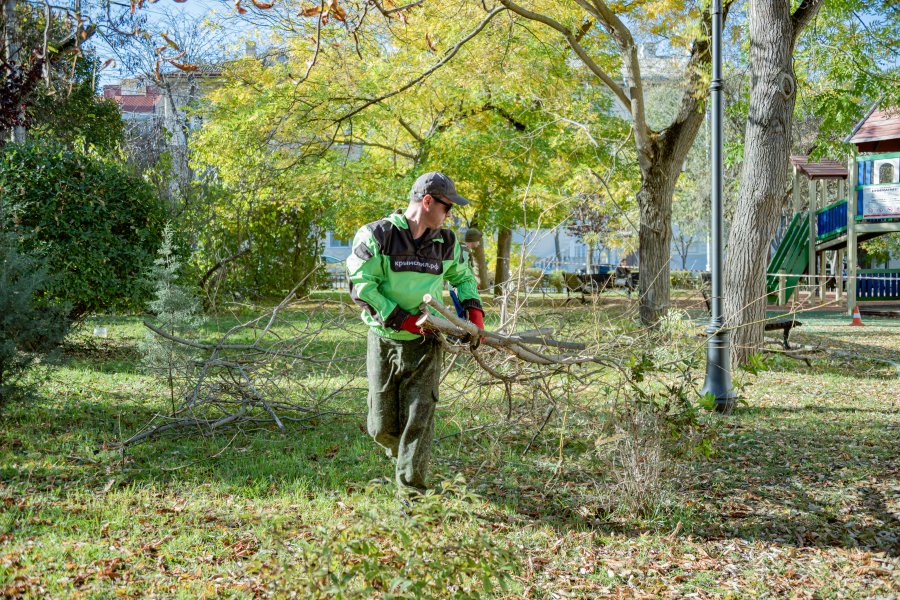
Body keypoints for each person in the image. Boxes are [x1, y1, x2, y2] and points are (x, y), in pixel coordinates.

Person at [346, 172, 484, 496]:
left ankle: (412, 495)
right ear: (427, 202)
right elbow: (361, 285)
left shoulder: (446, 243)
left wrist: (473, 313)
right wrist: (400, 319)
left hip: (427, 341)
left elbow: (463, 278)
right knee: (381, 428)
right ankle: (399, 455)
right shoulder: (375, 236)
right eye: (447, 207)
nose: (449, 215)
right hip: (384, 340)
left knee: (419, 420)